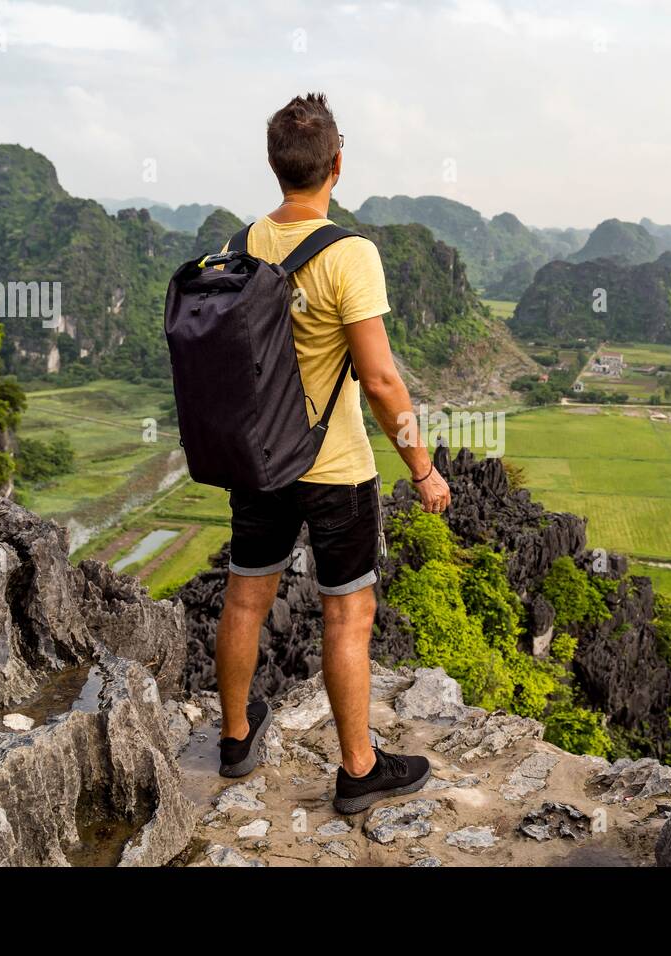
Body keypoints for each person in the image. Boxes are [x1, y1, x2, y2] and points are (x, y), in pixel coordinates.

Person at [214, 92, 452, 814]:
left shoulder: (241, 245)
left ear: (273, 165)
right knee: (348, 614)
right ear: (337, 166)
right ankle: (357, 769)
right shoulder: (352, 255)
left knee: (245, 597)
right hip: (335, 469)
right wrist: (423, 467)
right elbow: (380, 379)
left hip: (259, 464)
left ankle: (233, 741)